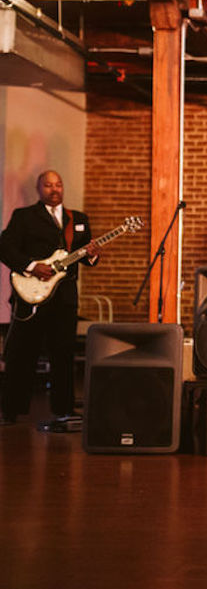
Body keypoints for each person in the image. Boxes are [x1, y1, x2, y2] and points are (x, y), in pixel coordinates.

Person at [0, 171, 100, 429]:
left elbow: (87, 256)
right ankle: (11, 410)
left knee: (63, 353)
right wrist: (32, 266)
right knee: (22, 353)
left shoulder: (77, 219)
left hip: (64, 297)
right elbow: (5, 247)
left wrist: (92, 256)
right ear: (39, 188)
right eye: (48, 185)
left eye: (58, 184)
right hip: (30, 295)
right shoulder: (24, 217)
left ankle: (63, 409)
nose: (54, 189)